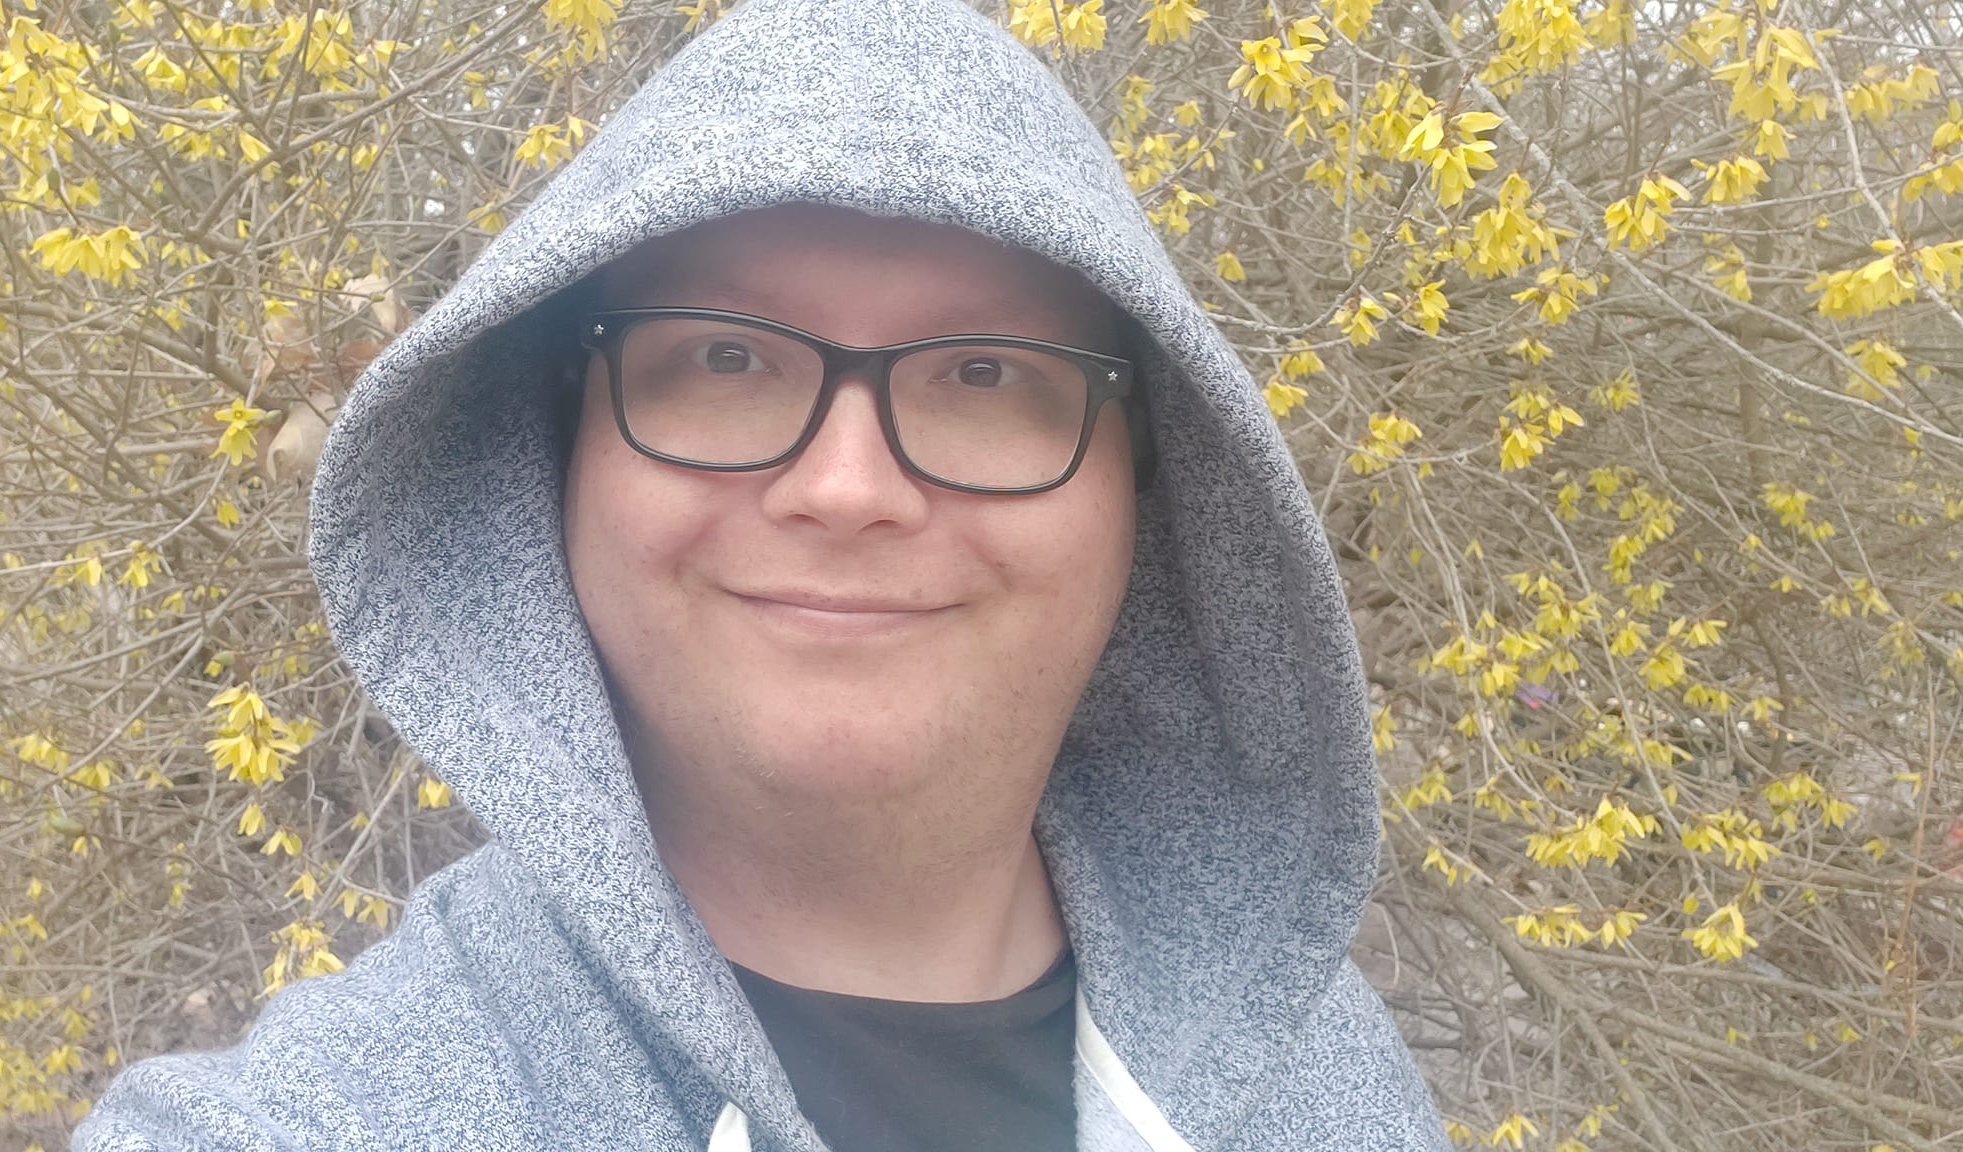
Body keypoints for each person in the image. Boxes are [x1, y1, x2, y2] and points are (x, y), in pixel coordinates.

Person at [73, 1, 1450, 1149]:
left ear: (1146, 498)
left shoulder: (1330, 1077)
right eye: (724, 359)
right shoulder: (316, 1120)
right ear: (553, 466)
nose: (845, 488)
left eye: (984, 374)